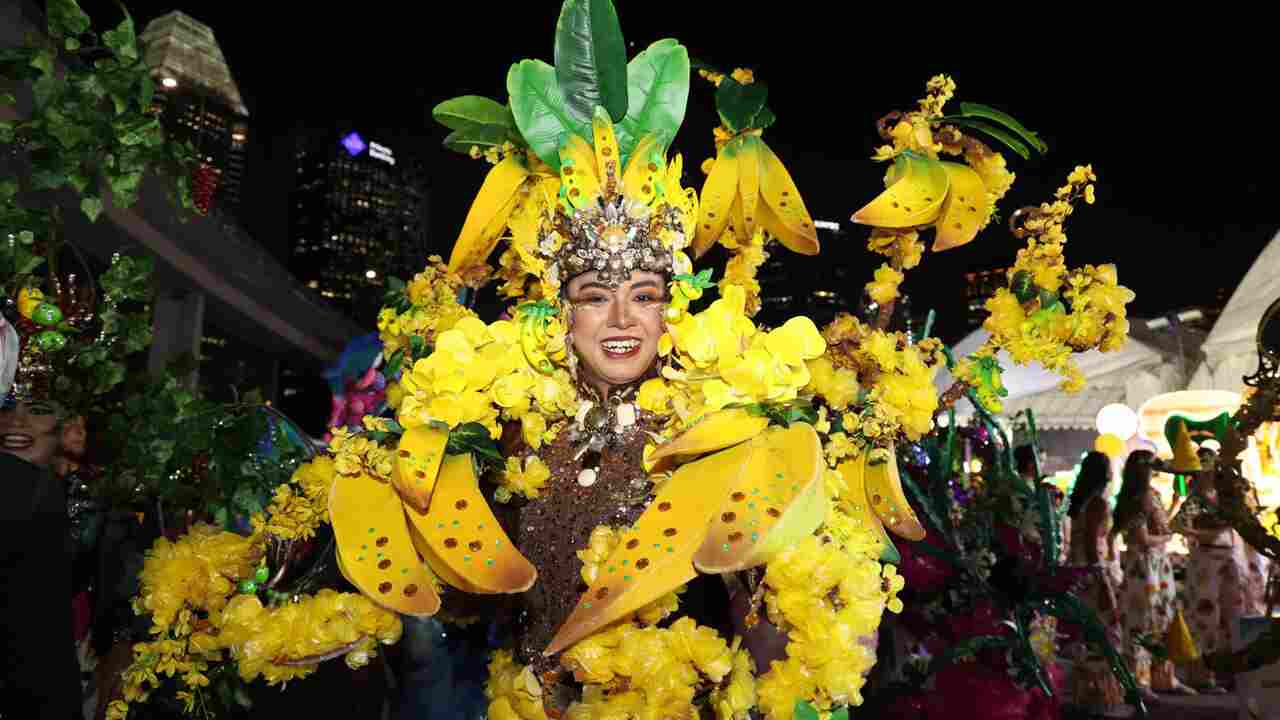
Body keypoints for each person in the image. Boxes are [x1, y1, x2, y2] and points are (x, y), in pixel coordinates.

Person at [0, 395, 85, 719]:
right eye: (6, 408)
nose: (16, 421)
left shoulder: (101, 509)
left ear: (67, 430)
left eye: (36, 410)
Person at [1171, 447, 1264, 692]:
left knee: (1233, 615)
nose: (1209, 476)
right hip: (1207, 563)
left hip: (1230, 562)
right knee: (1206, 618)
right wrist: (1203, 535)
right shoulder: (1195, 501)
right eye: (1205, 472)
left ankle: (1231, 672)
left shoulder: (1224, 498)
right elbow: (1177, 525)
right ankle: (1204, 674)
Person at [1112, 450, 1196, 698]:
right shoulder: (1136, 498)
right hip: (1145, 566)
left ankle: (1164, 677)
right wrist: (1168, 537)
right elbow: (1143, 538)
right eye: (1153, 465)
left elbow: (1158, 527)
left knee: (1164, 617)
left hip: (1158, 564)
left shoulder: (1150, 495)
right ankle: (1140, 682)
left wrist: (1174, 506)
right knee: (1142, 621)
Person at [1065, 451, 1126, 712]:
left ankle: (1088, 693)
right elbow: (1092, 544)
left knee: (1086, 634)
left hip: (1079, 572)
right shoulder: (1098, 504)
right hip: (1092, 575)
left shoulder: (1082, 502)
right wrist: (1102, 580)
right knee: (1105, 635)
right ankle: (1100, 694)